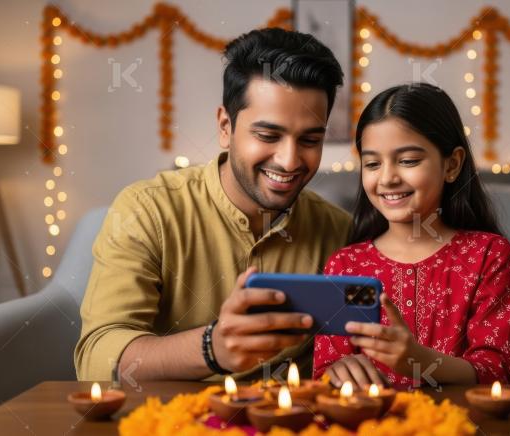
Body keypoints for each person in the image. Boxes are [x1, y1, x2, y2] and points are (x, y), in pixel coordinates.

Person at [75, 28, 351, 382]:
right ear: (225, 126)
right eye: (268, 136)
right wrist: (213, 348)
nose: (289, 159)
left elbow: (349, 349)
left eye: (310, 139)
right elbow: (96, 358)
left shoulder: (339, 231)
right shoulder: (147, 211)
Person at [313, 83, 510, 390]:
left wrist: (419, 360)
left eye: (408, 160)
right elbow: (325, 370)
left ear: (451, 165)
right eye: (372, 164)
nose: (387, 178)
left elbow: (499, 369)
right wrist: (340, 371)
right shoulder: (345, 265)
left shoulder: (489, 255)